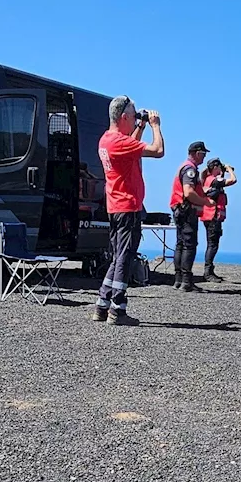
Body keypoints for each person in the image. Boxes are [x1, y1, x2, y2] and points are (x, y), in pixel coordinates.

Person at [93, 96, 164, 326]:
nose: (135, 120)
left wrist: (140, 127)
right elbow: (158, 150)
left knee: (117, 255)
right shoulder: (119, 142)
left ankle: (102, 304)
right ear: (124, 117)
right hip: (128, 206)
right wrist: (155, 126)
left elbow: (130, 148)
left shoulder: (107, 140)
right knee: (125, 257)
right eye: (133, 117)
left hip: (115, 206)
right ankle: (117, 309)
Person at [168, 141, 216, 292]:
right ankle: (186, 281)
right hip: (187, 210)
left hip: (179, 208)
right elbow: (188, 192)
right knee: (189, 245)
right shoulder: (191, 169)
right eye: (203, 154)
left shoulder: (183, 167)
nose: (204, 157)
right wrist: (205, 202)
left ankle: (178, 279)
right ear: (197, 153)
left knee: (180, 244)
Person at [199, 158, 237, 283]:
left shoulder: (208, 179)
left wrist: (223, 171)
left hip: (209, 215)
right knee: (213, 244)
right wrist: (230, 170)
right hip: (213, 216)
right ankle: (208, 272)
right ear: (214, 168)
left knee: (211, 243)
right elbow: (233, 180)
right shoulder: (214, 181)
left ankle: (209, 270)